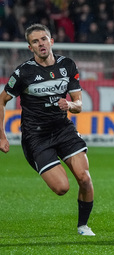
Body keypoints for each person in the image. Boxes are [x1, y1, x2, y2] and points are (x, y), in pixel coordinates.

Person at [0, 24, 95, 236]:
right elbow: (2, 101)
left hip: (63, 129)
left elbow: (79, 104)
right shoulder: (23, 72)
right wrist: (1, 136)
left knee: (85, 178)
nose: (41, 43)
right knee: (62, 188)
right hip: (37, 136)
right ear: (30, 47)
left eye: (44, 39)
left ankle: (83, 226)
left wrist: (70, 105)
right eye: (35, 41)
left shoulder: (67, 65)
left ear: (51, 41)